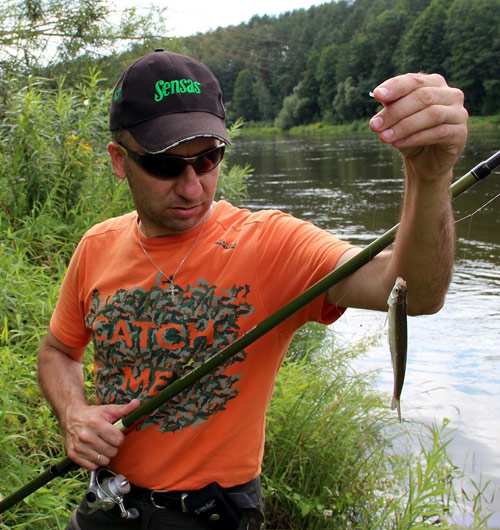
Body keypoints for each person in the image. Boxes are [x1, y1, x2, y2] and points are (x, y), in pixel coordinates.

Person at [37, 49, 468, 530]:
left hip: (211, 515)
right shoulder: (96, 245)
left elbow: (413, 291)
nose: (192, 187)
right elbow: (59, 350)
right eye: (164, 165)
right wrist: (74, 412)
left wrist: (429, 177)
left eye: (208, 159)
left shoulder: (271, 245)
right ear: (119, 160)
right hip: (105, 504)